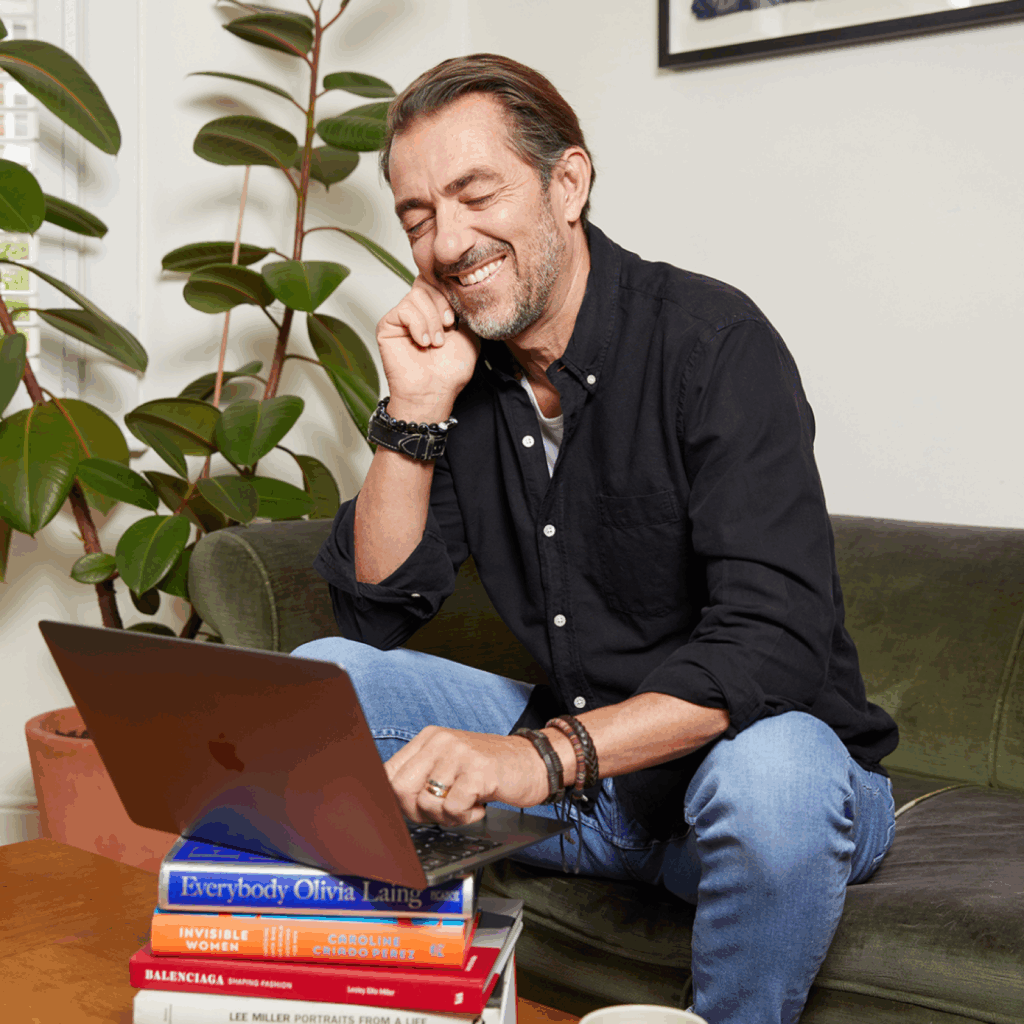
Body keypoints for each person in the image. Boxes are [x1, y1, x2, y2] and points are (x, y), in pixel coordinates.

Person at [294, 53, 898, 1024]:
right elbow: (372, 612)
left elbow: (772, 643)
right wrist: (412, 411)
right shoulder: (467, 379)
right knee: (325, 682)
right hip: (586, 787)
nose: (448, 241)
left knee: (776, 772)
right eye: (417, 217)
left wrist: (543, 757)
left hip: (740, 788)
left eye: (475, 193)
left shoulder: (710, 343)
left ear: (566, 183)